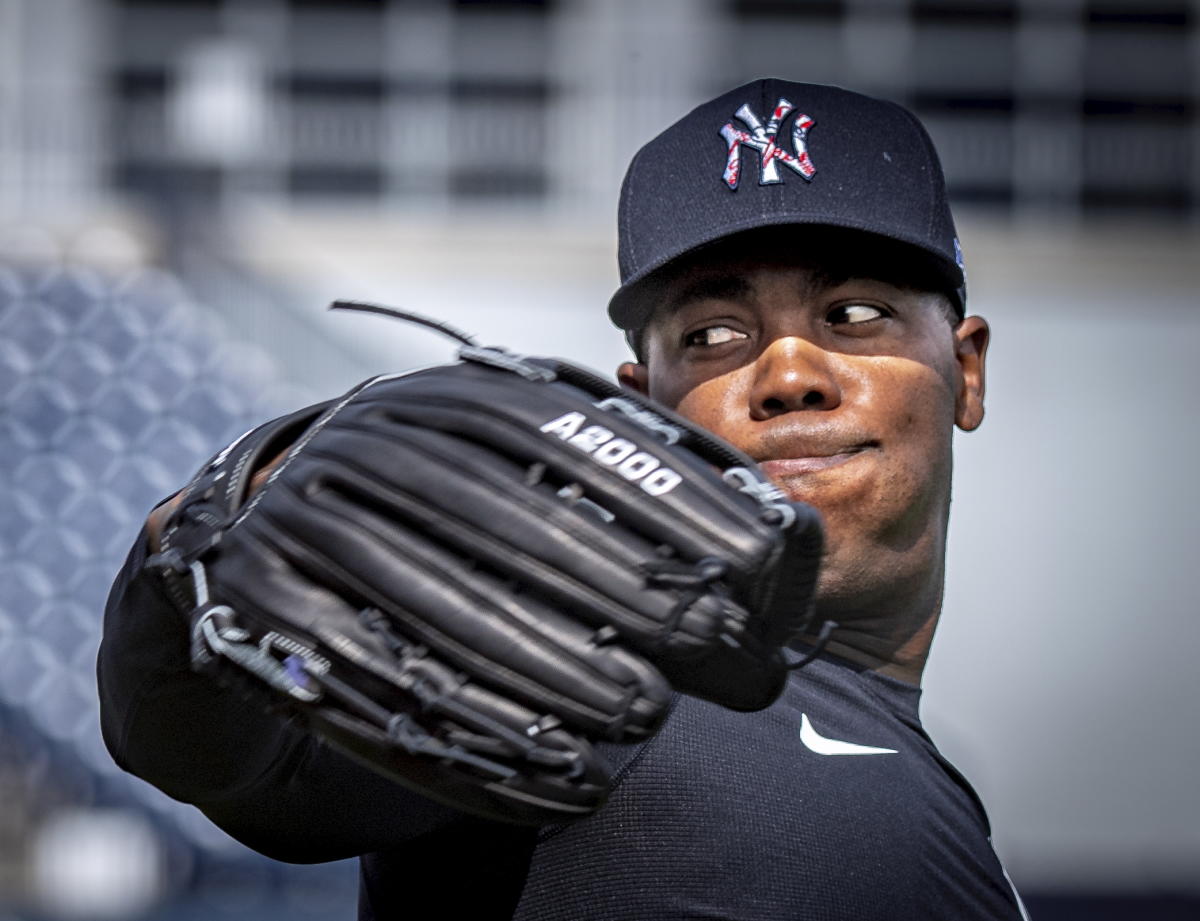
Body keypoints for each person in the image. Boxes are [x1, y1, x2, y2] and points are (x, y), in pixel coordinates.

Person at [98, 79, 1029, 919]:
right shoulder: (579, 674)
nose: (788, 373)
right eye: (713, 332)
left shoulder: (932, 778)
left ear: (967, 369)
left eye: (854, 315)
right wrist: (227, 522)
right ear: (642, 406)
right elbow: (242, 760)